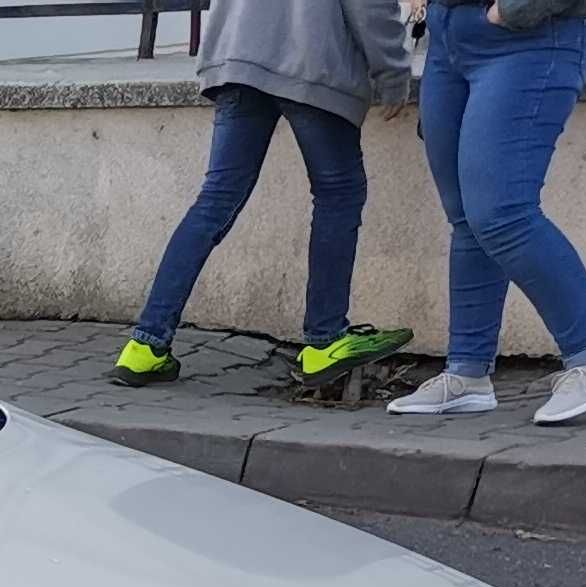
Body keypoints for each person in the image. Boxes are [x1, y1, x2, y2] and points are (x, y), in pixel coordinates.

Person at [109, 0, 413, 389]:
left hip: (236, 58)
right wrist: (393, 72)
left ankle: (144, 347)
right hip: (310, 61)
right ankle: (325, 340)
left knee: (215, 200)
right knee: (339, 194)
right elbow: (370, 7)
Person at [389, 0, 586, 425]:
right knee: (467, 218)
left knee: (503, 214)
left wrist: (515, 9)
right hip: (450, 40)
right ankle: (467, 373)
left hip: (532, 37)